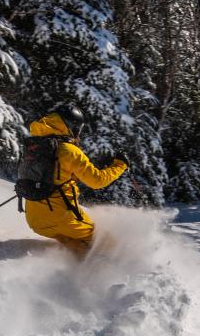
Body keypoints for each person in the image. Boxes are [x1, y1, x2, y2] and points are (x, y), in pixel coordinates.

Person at [22, 106, 128, 258]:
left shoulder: (33, 146)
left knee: (76, 241)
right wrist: (121, 164)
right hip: (63, 220)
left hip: (35, 222)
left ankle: (76, 262)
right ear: (71, 127)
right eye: (78, 128)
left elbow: (54, 175)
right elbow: (97, 181)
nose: (78, 133)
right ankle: (111, 269)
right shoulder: (69, 150)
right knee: (105, 241)